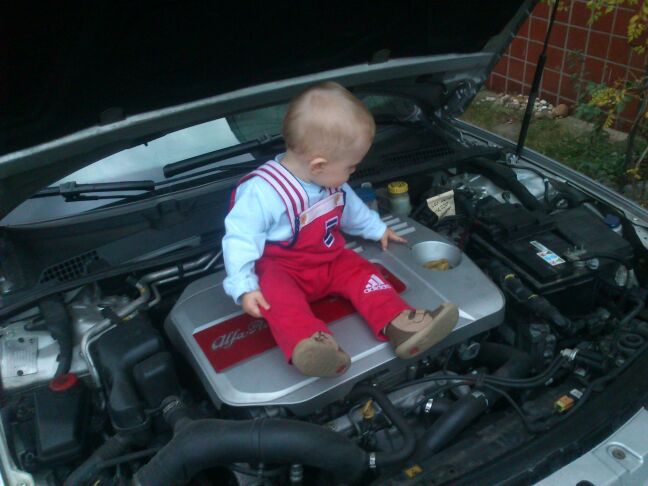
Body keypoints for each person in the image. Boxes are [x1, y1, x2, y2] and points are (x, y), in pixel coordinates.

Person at [222, 81, 458, 377]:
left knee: (364, 273)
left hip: (329, 260)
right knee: (277, 300)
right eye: (350, 166)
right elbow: (240, 239)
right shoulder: (263, 192)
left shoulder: (330, 180)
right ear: (318, 165)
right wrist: (245, 286)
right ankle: (311, 345)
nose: (354, 171)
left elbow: (351, 209)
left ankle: (400, 323)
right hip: (283, 270)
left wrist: (376, 229)